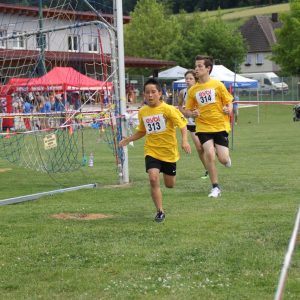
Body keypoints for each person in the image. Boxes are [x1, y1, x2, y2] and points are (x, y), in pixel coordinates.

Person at [119, 78, 191, 222]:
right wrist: (128, 139)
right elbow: (142, 131)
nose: (150, 95)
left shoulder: (169, 109)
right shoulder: (143, 112)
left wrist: (184, 141)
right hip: (151, 151)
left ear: (160, 93)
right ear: (144, 95)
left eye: (153, 92)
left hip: (169, 152)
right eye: (147, 93)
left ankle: (167, 178)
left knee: (169, 185)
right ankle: (160, 211)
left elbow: (183, 125)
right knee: (153, 178)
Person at [185, 55, 233, 198]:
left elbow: (229, 102)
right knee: (209, 154)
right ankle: (215, 187)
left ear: (208, 68)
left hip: (220, 125)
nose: (196, 69)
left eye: (200, 66)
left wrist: (228, 109)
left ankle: (225, 158)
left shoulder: (218, 85)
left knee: (223, 159)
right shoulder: (193, 90)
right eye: (196, 66)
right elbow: (187, 111)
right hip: (203, 127)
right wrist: (192, 113)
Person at [177, 69, 208, 180]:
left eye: (190, 79)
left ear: (195, 80)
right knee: (199, 148)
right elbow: (179, 106)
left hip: (204, 122)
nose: (188, 81)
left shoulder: (201, 90)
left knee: (208, 147)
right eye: (186, 79)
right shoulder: (182, 92)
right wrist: (185, 112)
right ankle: (208, 170)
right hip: (191, 123)